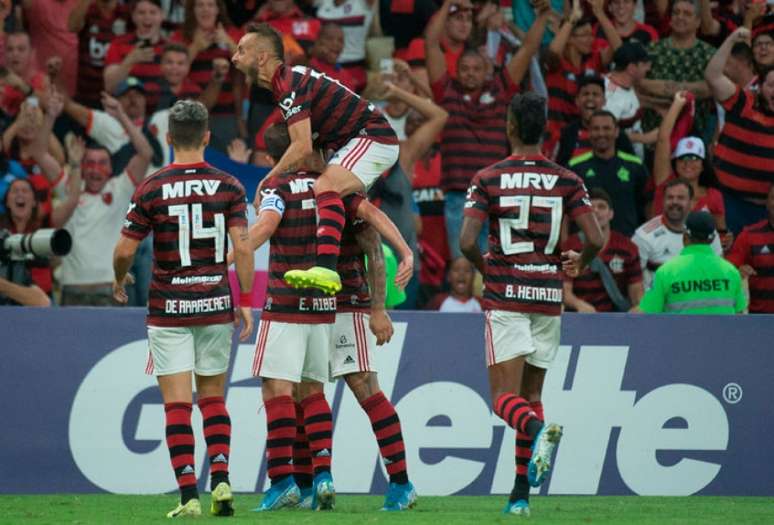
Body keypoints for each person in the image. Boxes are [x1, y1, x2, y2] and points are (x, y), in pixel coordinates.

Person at [230, 122, 413, 511]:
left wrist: (377, 308)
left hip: (338, 305)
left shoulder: (311, 187)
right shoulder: (339, 187)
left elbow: (372, 250)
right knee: (308, 392)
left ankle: (399, 483)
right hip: (327, 305)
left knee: (348, 391)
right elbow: (375, 244)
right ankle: (313, 481)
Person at [460, 92, 604, 517]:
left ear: (508, 127)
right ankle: (520, 495)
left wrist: (485, 268)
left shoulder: (488, 177)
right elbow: (595, 237)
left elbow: (466, 241)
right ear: (544, 130)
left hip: (506, 294)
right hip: (548, 297)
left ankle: (539, 432)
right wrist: (583, 260)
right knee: (532, 394)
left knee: (504, 399)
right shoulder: (568, 180)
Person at [112, 100, 254, 518]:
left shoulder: (152, 187)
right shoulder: (229, 185)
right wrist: (244, 300)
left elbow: (124, 250)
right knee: (213, 398)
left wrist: (120, 279)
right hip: (214, 305)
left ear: (169, 138)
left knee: (177, 405)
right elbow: (242, 247)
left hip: (168, 309)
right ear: (208, 137)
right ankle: (223, 480)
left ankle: (188, 495)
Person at [231, 23, 401, 296]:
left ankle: (326, 268)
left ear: (261, 57)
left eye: (241, 50)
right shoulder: (287, 82)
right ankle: (338, 271)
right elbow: (312, 143)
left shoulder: (287, 83)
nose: (234, 57)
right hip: (359, 141)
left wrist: (267, 178)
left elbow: (301, 145)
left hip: (373, 138)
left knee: (325, 187)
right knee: (343, 200)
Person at [427, 0, 550, 259]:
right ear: (456, 72)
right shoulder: (446, 92)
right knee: (462, 267)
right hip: (459, 197)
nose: (470, 74)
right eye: (464, 69)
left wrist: (543, 15)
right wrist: (448, 3)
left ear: (487, 72)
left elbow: (528, 49)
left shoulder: (500, 89)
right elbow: (430, 43)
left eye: (476, 69)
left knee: (498, 268)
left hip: (497, 196)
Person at [60, 95, 153, 306]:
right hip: (72, 288)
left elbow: (146, 153)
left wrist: (121, 115)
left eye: (102, 163)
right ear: (82, 167)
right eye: (89, 163)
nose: (95, 169)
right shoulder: (71, 188)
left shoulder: (120, 188)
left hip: (111, 290)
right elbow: (39, 153)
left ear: (111, 168)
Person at [369, 80, 448, 308]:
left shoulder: (403, 153)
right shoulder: (347, 156)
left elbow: (439, 116)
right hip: (365, 263)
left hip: (403, 266)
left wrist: (397, 92)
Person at [706, 26, 774, 235]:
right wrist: (732, 39)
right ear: (761, 87)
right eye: (772, 86)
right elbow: (712, 75)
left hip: (767, 210)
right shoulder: (744, 102)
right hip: (728, 202)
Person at [543, 0, 622, 155]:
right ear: (570, 38)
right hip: (555, 137)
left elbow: (619, 49)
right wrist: (571, 20)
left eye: (591, 35)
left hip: (586, 138)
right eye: (585, 35)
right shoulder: (557, 65)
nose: (591, 40)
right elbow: (552, 53)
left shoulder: (594, 60)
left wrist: (600, 13)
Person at [638, 210, 746, 314]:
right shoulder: (731, 272)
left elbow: (647, 313)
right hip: (721, 333)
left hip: (679, 333)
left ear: (685, 237)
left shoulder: (666, 272)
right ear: (712, 239)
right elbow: (739, 316)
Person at [171, 0, 244, 152]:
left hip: (225, 113)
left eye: (210, 5)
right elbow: (173, 74)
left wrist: (229, 43)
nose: (206, 10)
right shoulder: (180, 36)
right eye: (200, 5)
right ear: (193, 10)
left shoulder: (233, 34)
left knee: (225, 163)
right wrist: (196, 47)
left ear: (218, 9)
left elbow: (248, 70)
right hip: (189, 114)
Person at [639, 0, 715, 144]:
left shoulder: (709, 54)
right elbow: (636, 83)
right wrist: (691, 91)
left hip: (694, 141)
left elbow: (709, 89)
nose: (680, 17)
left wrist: (660, 87)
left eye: (687, 14)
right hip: (652, 136)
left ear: (698, 21)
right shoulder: (651, 50)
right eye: (676, 12)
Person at [633, 177, 723, 289]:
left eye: (680, 198)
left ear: (691, 202)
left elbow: (718, 270)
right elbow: (633, 281)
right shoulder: (644, 236)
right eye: (670, 197)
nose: (674, 202)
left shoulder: (705, 228)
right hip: (659, 302)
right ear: (663, 201)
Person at [563, 187, 643, 312]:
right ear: (584, 214)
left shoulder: (628, 248)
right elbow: (565, 291)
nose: (595, 211)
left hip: (616, 319)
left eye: (601, 207)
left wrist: (638, 307)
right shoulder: (571, 246)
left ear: (611, 214)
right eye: (591, 207)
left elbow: (637, 293)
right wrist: (578, 304)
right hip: (581, 318)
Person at [568, 110, 648, 236]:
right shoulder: (575, 167)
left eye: (606, 128)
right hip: (586, 244)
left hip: (627, 243)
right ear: (588, 132)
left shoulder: (635, 165)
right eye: (596, 129)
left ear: (616, 132)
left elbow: (648, 204)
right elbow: (567, 211)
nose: (601, 133)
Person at [555, 73, 635, 167]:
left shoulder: (618, 136)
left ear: (604, 100)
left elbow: (632, 167)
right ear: (577, 100)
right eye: (586, 94)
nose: (590, 98)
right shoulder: (567, 133)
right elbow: (559, 169)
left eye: (595, 94)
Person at [103, 0, 167, 112]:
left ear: (162, 15)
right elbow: (110, 87)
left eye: (153, 12)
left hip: (161, 112)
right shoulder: (118, 44)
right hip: (125, 113)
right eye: (141, 12)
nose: (147, 17)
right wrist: (130, 60)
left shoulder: (169, 47)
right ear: (133, 16)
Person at [68, 0, 130, 108]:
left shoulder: (126, 12)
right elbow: (72, 27)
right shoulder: (88, 9)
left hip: (119, 94)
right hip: (87, 92)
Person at [726, 184, 774, 314]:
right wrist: (739, 271)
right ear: (767, 203)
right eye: (773, 198)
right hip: (759, 321)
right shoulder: (748, 235)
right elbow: (728, 271)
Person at [604, 41, 655, 152]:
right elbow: (606, 133)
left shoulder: (623, 83)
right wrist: (645, 138)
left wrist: (658, 106)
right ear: (631, 68)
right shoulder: (612, 98)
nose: (648, 69)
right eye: (644, 64)